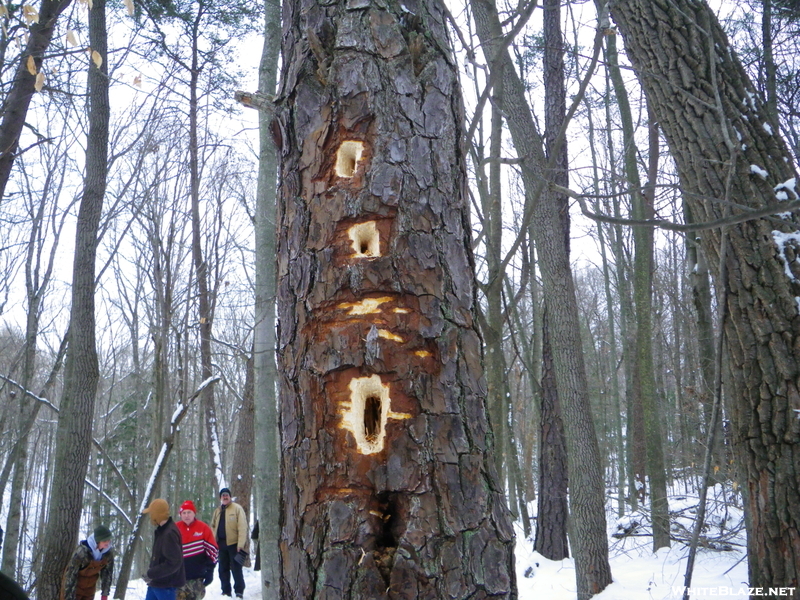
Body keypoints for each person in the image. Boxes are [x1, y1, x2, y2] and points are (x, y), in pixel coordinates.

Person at [143, 498, 185, 600]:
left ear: (157, 514)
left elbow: (174, 562)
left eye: (151, 513)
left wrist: (152, 573)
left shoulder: (169, 533)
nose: (150, 516)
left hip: (166, 586)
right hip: (156, 583)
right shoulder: (162, 531)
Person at [175, 500, 218, 600]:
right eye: (184, 513)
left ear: (194, 513)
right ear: (180, 515)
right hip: (179, 578)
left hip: (197, 578)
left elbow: (213, 550)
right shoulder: (175, 528)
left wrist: (210, 571)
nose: (186, 515)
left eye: (189, 512)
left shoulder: (203, 528)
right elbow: (168, 551)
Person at [210, 488, 248, 598]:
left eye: (227, 495)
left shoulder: (237, 509)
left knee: (236, 569)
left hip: (234, 545)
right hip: (221, 545)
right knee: (222, 569)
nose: (225, 497)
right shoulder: (217, 511)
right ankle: (226, 591)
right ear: (220, 498)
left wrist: (240, 544)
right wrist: (213, 540)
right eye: (223, 495)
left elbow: (242, 527)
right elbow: (212, 525)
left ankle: (239, 591)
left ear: (230, 497)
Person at [61, 525, 114, 600]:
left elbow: (107, 574)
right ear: (97, 541)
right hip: (74, 590)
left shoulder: (108, 554)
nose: (107, 543)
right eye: (104, 541)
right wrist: (69, 597)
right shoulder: (82, 552)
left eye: (109, 540)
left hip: (89, 591)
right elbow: (70, 576)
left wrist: (104, 595)